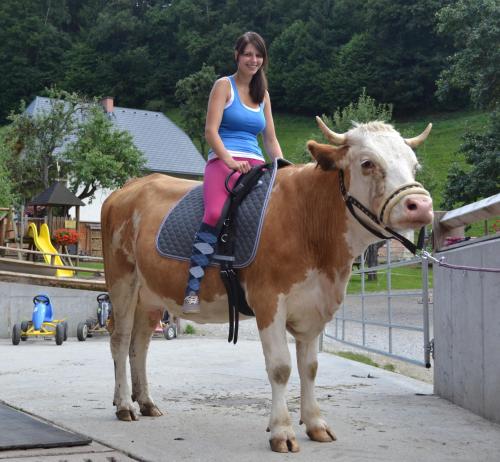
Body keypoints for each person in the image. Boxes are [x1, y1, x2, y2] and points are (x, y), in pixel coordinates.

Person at [182, 31, 284, 314]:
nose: (253, 60)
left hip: (256, 165)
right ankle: (192, 288)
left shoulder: (262, 95)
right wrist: (227, 160)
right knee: (214, 213)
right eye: (248, 54)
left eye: (258, 55)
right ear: (237, 56)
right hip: (223, 162)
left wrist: (282, 167)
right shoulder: (223, 86)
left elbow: (270, 139)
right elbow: (210, 131)